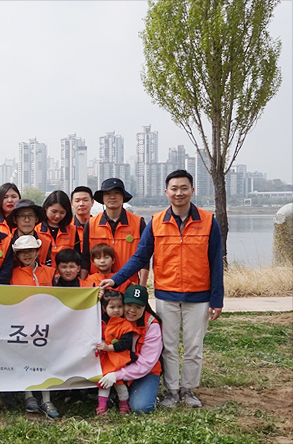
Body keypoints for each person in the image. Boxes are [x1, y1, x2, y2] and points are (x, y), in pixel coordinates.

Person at [100, 170, 223, 410]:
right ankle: (172, 391)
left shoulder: (209, 221)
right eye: (174, 188)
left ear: (192, 191)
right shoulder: (157, 222)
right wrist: (115, 280)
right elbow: (139, 257)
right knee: (167, 346)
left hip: (200, 295)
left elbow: (216, 262)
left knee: (193, 346)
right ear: (166, 192)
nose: (179, 193)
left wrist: (217, 299)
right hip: (166, 294)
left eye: (184, 188)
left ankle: (188, 390)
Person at [7, 235, 59, 418]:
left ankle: (46, 398)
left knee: (46, 360)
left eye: (30, 251)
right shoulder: (13, 275)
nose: (27, 255)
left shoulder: (51, 272)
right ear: (17, 254)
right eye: (22, 252)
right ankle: (29, 396)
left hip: (47, 325)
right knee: (26, 359)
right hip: (23, 325)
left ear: (38, 251)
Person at [95, 285, 164, 414]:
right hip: (115, 365)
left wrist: (117, 375)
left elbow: (146, 363)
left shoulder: (152, 325)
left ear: (145, 307)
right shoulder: (114, 316)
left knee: (141, 407)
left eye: (138, 307)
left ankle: (147, 395)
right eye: (129, 305)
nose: (132, 310)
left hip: (144, 372)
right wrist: (98, 297)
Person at [82, 178, 148, 287]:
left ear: (123, 197)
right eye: (107, 193)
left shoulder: (138, 222)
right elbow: (85, 257)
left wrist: (142, 286)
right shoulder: (91, 224)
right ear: (103, 198)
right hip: (98, 285)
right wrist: (83, 284)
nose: (112, 197)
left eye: (117, 193)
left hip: (129, 285)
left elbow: (144, 258)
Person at [93, 289, 133, 415]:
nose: (116, 310)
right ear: (104, 308)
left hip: (118, 358)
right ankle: (102, 405)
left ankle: (124, 404)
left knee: (119, 383)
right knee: (104, 382)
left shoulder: (126, 325)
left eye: (120, 307)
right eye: (112, 307)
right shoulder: (100, 322)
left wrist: (108, 348)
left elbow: (125, 344)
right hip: (105, 358)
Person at [6, 199, 53, 266]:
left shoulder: (46, 243)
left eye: (31, 215)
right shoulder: (7, 243)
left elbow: (49, 269)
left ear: (36, 219)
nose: (27, 220)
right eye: (22, 216)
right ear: (15, 220)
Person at [37, 191, 76, 266]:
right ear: (46, 208)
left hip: (66, 275)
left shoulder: (72, 230)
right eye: (54, 211)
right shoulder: (36, 229)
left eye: (62, 213)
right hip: (43, 274)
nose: (57, 216)